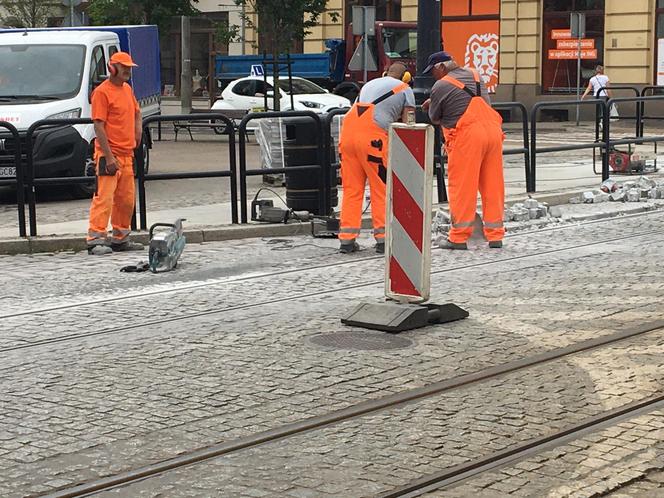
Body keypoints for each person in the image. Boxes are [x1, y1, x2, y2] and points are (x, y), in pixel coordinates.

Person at [423, 51, 505, 250]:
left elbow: (435, 117)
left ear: (440, 67)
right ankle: (495, 236)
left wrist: (430, 104)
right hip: (493, 133)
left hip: (467, 137)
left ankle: (458, 237)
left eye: (433, 71)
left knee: (462, 187)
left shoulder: (440, 85)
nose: (433, 76)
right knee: (492, 185)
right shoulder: (476, 75)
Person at [338, 62, 416, 254]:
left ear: (385, 72)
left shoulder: (369, 84)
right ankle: (383, 239)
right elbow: (409, 124)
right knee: (380, 189)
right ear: (406, 77)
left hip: (347, 135)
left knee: (352, 189)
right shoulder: (406, 89)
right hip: (373, 140)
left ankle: (347, 240)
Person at [86, 51, 143, 255]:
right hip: (108, 155)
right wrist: (109, 157)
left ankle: (120, 238)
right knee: (104, 198)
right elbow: (99, 127)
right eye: (124, 67)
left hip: (126, 154)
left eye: (129, 67)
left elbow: (137, 112)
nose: (128, 71)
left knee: (126, 200)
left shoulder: (127, 90)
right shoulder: (102, 92)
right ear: (112, 68)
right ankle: (95, 239)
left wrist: (138, 130)